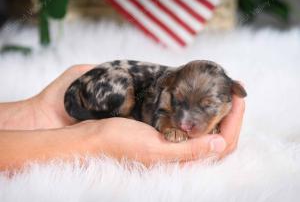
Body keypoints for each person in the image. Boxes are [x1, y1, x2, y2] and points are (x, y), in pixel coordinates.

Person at [0, 65, 245, 171]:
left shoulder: (216, 91)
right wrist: (92, 139)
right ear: (172, 86)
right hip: (107, 85)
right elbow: (163, 116)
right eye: (179, 102)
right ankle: (97, 115)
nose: (184, 121)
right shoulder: (167, 89)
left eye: (208, 106)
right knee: (124, 92)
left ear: (232, 95)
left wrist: (39, 112)